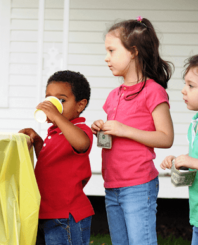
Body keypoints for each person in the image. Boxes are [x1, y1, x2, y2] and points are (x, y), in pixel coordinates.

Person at [91, 17, 174, 245]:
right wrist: (101, 130)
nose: (106, 58)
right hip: (111, 185)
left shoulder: (153, 91)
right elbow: (114, 139)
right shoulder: (113, 95)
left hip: (138, 185)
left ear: (133, 52)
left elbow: (166, 137)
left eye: (111, 50)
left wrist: (124, 129)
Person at [20, 70, 94, 245]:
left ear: (80, 105)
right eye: (49, 99)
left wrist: (56, 116)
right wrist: (38, 141)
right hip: (47, 211)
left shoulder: (80, 130)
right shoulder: (55, 132)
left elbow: (82, 144)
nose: (53, 105)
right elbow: (49, 162)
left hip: (67, 215)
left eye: (61, 100)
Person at [160, 55, 198, 244]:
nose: (184, 91)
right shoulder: (194, 124)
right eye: (185, 84)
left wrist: (192, 162)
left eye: (191, 86)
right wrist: (179, 162)